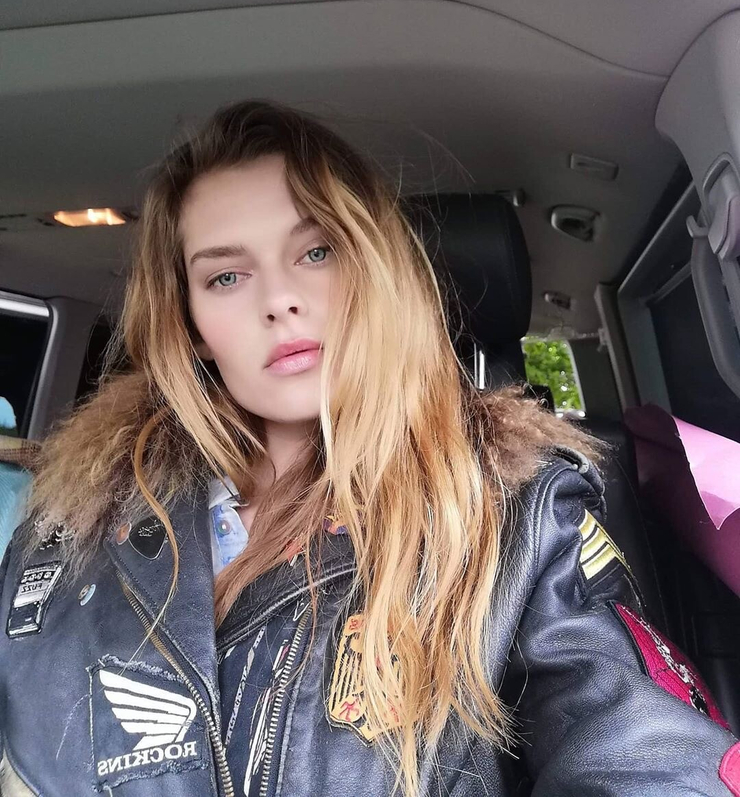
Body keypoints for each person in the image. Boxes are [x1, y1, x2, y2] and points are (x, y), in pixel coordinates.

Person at [0, 100, 738, 797]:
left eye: (316, 251)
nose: (278, 299)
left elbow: (647, 758)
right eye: (226, 276)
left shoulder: (514, 512)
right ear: (191, 323)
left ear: (374, 268)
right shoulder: (68, 535)